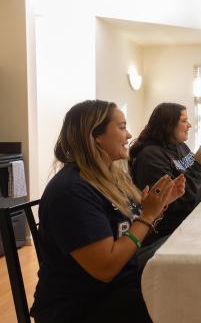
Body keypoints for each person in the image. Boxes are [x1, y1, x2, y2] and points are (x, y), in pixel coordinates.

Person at [30, 100, 186, 323]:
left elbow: (127, 237)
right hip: (81, 307)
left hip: (118, 286)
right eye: (122, 127)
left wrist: (158, 206)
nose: (130, 134)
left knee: (185, 277)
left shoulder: (112, 178)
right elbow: (106, 268)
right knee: (184, 298)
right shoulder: (72, 191)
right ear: (96, 136)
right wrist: (147, 215)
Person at [129, 102, 201, 257]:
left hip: (193, 221)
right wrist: (199, 166)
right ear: (168, 124)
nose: (190, 125)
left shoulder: (181, 147)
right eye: (184, 121)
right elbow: (176, 203)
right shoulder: (150, 156)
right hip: (169, 234)